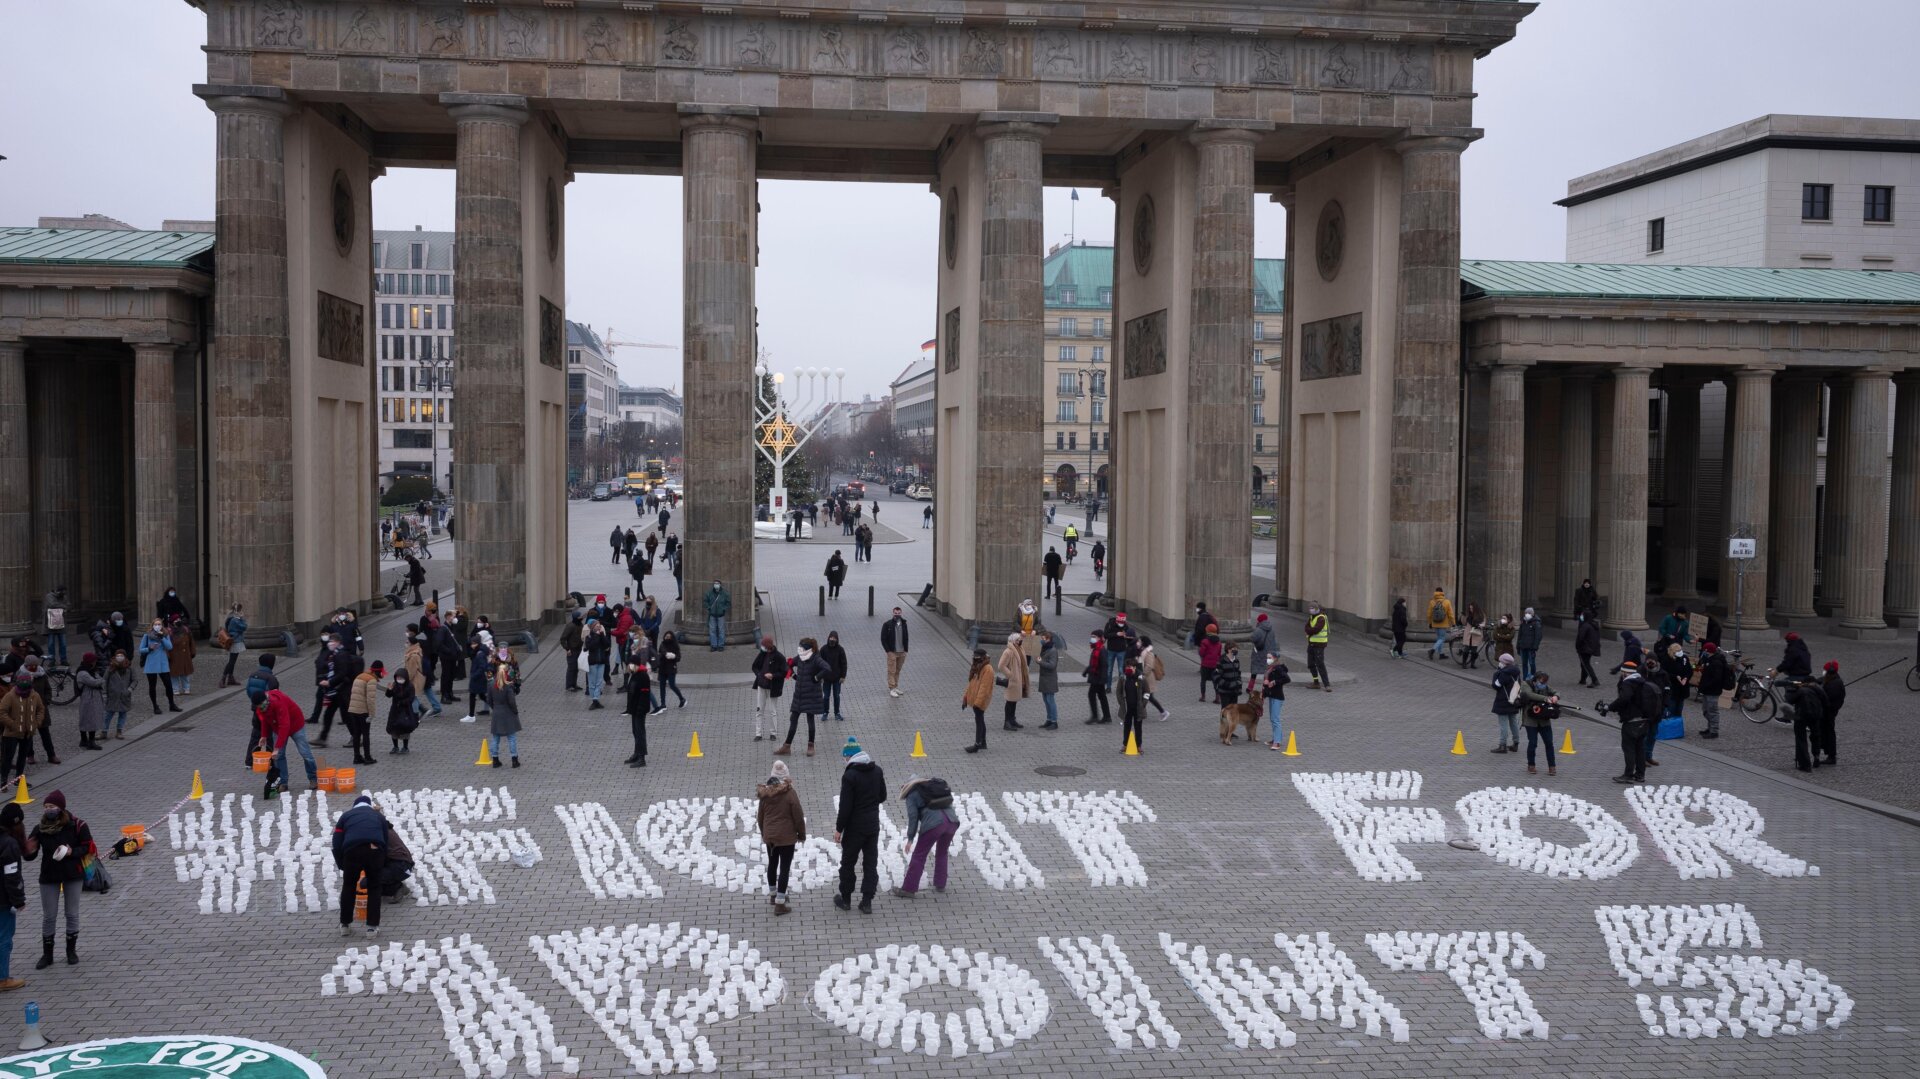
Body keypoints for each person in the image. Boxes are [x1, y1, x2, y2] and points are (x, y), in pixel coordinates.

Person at [23, 790, 89, 968]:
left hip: (72, 874)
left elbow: (87, 848)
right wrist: (28, 850)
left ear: (61, 808)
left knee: (72, 913)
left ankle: (71, 951)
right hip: (49, 876)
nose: (48, 810)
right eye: (46, 807)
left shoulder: (77, 825)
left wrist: (71, 852)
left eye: (52, 807)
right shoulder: (40, 828)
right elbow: (30, 856)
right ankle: (47, 954)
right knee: (49, 916)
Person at [832, 740, 886, 914]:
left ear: (850, 757)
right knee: (870, 863)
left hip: (855, 828)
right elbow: (882, 796)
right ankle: (867, 901)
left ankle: (846, 899)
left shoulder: (850, 776)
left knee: (848, 862)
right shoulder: (877, 771)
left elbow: (845, 807)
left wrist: (839, 828)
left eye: (845, 758)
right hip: (872, 826)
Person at [891, 775, 959, 899]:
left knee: (919, 855)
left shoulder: (912, 795)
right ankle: (940, 883)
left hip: (935, 825)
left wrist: (910, 838)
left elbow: (913, 818)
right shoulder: (932, 789)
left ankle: (908, 889)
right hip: (952, 822)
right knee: (942, 852)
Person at [331, 793, 388, 937]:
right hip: (374, 849)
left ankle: (345, 925)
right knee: (374, 887)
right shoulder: (379, 817)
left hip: (352, 851)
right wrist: (382, 861)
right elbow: (385, 840)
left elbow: (336, 842)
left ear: (354, 806)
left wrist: (342, 863)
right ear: (369, 805)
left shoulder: (346, 816)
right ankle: (371, 928)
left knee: (349, 886)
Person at [756, 759, 806, 915]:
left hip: (770, 837)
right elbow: (798, 815)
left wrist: (765, 833)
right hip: (786, 837)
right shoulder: (789, 792)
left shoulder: (765, 793)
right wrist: (801, 834)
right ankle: (780, 903)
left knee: (772, 863)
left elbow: (760, 817)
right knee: (784, 868)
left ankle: (772, 895)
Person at [1607, 660, 1661, 785]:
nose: (1621, 674)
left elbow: (1624, 698)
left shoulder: (1628, 683)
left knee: (1629, 748)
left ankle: (1628, 775)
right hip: (1645, 720)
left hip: (1632, 722)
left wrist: (1610, 707)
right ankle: (1640, 775)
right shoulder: (1641, 681)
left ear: (1625, 673)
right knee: (1640, 748)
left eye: (1622, 672)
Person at [257, 688, 317, 793]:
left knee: (305, 753)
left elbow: (285, 726)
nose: (259, 708)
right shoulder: (261, 706)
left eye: (260, 706)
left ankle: (313, 778)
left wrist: (277, 747)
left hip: (295, 725)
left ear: (265, 701)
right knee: (279, 756)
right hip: (277, 727)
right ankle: (283, 782)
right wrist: (264, 736)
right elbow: (265, 720)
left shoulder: (278, 703)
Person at [780, 638, 829, 757]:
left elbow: (827, 668)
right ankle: (787, 746)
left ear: (807, 648)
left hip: (811, 695)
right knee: (793, 719)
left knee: (810, 721)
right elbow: (788, 664)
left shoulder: (816, 658)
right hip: (799, 695)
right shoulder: (800, 658)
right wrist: (793, 675)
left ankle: (810, 746)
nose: (800, 649)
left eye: (802, 647)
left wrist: (816, 678)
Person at [0, 803, 26, 990]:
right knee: (4, 938)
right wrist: (18, 901)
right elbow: (11, 876)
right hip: (2, 900)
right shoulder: (9, 843)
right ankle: (3, 979)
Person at [1517, 670, 1561, 776]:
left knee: (1549, 743)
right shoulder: (1525, 684)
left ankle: (1552, 766)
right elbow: (1530, 695)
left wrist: (1556, 697)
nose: (1543, 684)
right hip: (1530, 720)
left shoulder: (1545, 686)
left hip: (1544, 720)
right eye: (1541, 682)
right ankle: (1531, 765)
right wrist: (1546, 698)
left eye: (1544, 682)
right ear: (1535, 679)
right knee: (1533, 743)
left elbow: (1556, 692)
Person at [0, 683, 44, 787]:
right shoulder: (10, 696)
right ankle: (3, 781)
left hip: (27, 732)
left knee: (22, 756)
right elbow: (2, 712)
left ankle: (18, 779)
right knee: (7, 757)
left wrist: (36, 723)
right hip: (11, 733)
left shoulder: (35, 695)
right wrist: (12, 724)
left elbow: (40, 709)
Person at [1784, 674, 1825, 773]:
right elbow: (1826, 701)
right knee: (1815, 736)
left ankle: (1805, 764)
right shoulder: (1819, 690)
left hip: (1802, 716)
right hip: (1815, 715)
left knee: (1801, 739)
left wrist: (1791, 689)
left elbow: (1789, 699)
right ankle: (1816, 757)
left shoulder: (1801, 691)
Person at [346, 659, 383, 766]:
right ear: (378, 671)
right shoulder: (371, 680)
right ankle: (367, 757)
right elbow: (370, 699)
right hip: (363, 711)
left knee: (356, 733)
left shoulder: (360, 676)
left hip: (353, 710)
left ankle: (357, 757)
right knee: (366, 734)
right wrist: (372, 714)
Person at [137, 617, 178, 715]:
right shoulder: (147, 636)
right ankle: (155, 706)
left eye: (159, 624)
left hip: (163, 664)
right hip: (151, 664)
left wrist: (162, 637)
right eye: (155, 624)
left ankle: (172, 704)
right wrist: (149, 648)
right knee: (152, 686)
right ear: (152, 625)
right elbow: (140, 650)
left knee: (168, 685)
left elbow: (170, 647)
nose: (157, 626)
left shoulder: (165, 635)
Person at [751, 637, 788, 743]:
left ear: (768, 647)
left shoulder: (779, 657)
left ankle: (773, 733)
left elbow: (784, 672)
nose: (762, 648)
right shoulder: (762, 654)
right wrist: (759, 675)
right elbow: (754, 666)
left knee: (773, 711)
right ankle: (758, 733)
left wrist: (773, 675)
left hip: (773, 688)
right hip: (761, 685)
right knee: (759, 710)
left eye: (764, 646)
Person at [487, 658, 522, 769]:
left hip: (497, 713)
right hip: (508, 714)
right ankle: (514, 760)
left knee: (495, 738)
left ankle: (495, 759)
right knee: (511, 737)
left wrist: (495, 708)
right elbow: (512, 702)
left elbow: (489, 700)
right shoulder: (508, 686)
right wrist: (515, 711)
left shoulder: (492, 685)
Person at [1489, 653, 1523, 754]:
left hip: (1503, 701)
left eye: (1500, 661)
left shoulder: (1504, 673)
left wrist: (1497, 674)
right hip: (1513, 700)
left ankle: (1502, 745)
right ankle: (1515, 743)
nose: (1499, 663)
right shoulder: (1516, 672)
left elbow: (1496, 685)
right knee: (1513, 722)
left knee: (1503, 724)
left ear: (1504, 662)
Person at [1694, 640, 1729, 739]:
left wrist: (1706, 685)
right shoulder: (1709, 659)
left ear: (1707, 651)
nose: (1702, 652)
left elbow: (1716, 679)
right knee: (1706, 710)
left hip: (1712, 691)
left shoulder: (1716, 662)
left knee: (1712, 711)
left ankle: (1714, 731)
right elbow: (1700, 667)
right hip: (1707, 690)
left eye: (1704, 651)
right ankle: (1710, 728)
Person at [962, 649, 993, 753]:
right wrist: (965, 698)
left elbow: (985, 688)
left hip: (980, 700)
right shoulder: (977, 666)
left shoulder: (987, 669)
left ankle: (977, 744)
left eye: (977, 656)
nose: (975, 658)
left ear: (983, 657)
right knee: (980, 719)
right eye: (974, 656)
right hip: (975, 699)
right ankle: (983, 742)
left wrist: (978, 703)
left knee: (979, 720)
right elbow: (971, 683)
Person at [997, 632, 1029, 732]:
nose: (1020, 641)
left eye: (1020, 640)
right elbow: (1001, 666)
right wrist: (1011, 675)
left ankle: (1012, 720)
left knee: (1014, 701)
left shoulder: (1020, 649)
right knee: (1010, 701)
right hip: (1013, 681)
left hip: (1020, 679)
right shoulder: (1008, 651)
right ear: (1013, 641)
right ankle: (1007, 722)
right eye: (1018, 640)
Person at [72, 654, 105, 751]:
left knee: (90, 718)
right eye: (94, 661)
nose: (95, 662)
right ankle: (90, 741)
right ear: (90, 661)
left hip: (93, 698)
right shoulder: (83, 673)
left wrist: (100, 680)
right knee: (89, 719)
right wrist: (103, 679)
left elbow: (97, 679)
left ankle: (84, 740)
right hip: (88, 698)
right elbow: (94, 682)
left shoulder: (91, 671)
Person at [622, 659, 651, 767]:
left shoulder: (643, 676)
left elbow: (644, 695)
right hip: (634, 709)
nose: (629, 667)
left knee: (640, 733)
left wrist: (640, 708)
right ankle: (636, 753)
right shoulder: (634, 674)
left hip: (640, 710)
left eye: (630, 664)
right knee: (635, 731)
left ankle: (641, 757)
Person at [1816, 660, 1844, 766]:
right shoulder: (1831, 679)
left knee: (1828, 733)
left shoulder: (1835, 684)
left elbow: (1827, 700)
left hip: (1828, 712)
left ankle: (1831, 756)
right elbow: (1821, 680)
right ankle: (1827, 752)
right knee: (1826, 732)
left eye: (1825, 670)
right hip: (1827, 712)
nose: (1824, 672)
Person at [385, 669, 418, 755]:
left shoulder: (410, 686)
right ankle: (395, 747)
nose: (399, 679)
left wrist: (402, 702)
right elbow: (388, 695)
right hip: (395, 710)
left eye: (401, 677)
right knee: (393, 728)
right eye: (398, 677)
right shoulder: (395, 685)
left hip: (406, 711)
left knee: (405, 728)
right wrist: (389, 690)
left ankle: (405, 747)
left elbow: (411, 698)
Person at [102, 651, 133, 742]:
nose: (119, 657)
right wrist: (104, 693)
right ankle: (104, 731)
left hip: (124, 696)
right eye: (118, 655)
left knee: (122, 713)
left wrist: (129, 689)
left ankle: (119, 731)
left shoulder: (129, 669)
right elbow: (104, 680)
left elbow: (134, 680)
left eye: (121, 655)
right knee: (108, 714)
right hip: (112, 695)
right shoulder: (110, 668)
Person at [1262, 655, 1291, 750]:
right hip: (1271, 696)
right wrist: (1264, 694)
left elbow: (1287, 679)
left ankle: (1277, 742)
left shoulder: (1278, 668)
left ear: (1275, 659)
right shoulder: (1270, 669)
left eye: (1270, 657)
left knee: (1275, 719)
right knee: (1273, 719)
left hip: (1277, 697)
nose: (1268, 659)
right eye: (1267, 657)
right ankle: (1275, 738)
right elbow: (1266, 683)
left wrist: (1274, 682)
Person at [1081, 632, 1111, 725]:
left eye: (1094, 637)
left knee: (1092, 695)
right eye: (1091, 637)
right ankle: (1106, 716)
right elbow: (1093, 663)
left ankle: (1095, 716)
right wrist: (1086, 671)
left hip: (1098, 678)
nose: (1092, 638)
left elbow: (1104, 666)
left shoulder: (1101, 650)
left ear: (1099, 638)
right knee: (1102, 696)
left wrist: (1102, 680)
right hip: (1096, 677)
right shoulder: (1096, 648)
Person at [1117, 660, 1146, 755]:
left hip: (1138, 708)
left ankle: (1139, 746)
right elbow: (1119, 692)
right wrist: (1122, 703)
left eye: (1130, 667)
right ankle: (1125, 745)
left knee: (1138, 727)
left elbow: (1147, 692)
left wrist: (1143, 704)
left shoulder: (1141, 678)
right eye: (1127, 667)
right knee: (1127, 726)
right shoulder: (1123, 678)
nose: (1128, 669)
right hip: (1127, 708)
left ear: (1134, 668)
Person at [379, 823, 414, 899]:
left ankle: (397, 888)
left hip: (401, 866)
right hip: (403, 864)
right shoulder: (384, 829)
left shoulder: (380, 833)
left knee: (369, 881)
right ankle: (395, 886)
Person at [1137, 638, 1169, 721]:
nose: (1138, 643)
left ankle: (1163, 712)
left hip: (1148, 679)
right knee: (1145, 697)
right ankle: (1140, 713)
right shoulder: (1143, 652)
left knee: (1148, 697)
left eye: (1140, 641)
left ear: (1144, 643)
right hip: (1145, 679)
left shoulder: (1148, 653)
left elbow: (1149, 666)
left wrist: (1142, 674)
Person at [881, 607, 909, 698]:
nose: (897, 614)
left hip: (902, 651)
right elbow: (883, 638)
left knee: (897, 670)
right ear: (893, 613)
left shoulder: (904, 624)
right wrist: (888, 651)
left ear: (901, 613)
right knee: (891, 671)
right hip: (892, 652)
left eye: (899, 613)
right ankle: (892, 688)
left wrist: (906, 650)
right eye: (895, 613)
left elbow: (906, 636)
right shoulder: (887, 624)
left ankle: (896, 686)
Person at [218, 603, 248, 688]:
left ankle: (230, 678)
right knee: (231, 661)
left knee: (232, 661)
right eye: (240, 610)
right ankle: (223, 679)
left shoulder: (233, 618)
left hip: (235, 640)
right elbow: (244, 627)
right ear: (237, 611)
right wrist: (242, 618)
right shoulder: (235, 620)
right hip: (236, 641)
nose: (242, 611)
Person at [820, 631, 848, 721]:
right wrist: (820, 676)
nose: (832, 640)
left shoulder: (840, 649)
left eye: (834, 638)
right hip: (826, 678)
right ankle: (825, 712)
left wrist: (843, 676)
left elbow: (844, 664)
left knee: (836, 696)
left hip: (837, 678)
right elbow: (819, 663)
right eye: (831, 638)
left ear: (837, 639)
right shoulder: (823, 649)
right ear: (828, 638)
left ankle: (837, 713)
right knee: (826, 696)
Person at [1304, 603, 1332, 691]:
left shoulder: (1321, 618)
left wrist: (1309, 631)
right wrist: (1309, 630)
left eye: (1312, 608)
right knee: (1311, 664)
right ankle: (1316, 682)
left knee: (1320, 664)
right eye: (1310, 608)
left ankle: (1327, 684)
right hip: (1311, 643)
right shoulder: (1312, 617)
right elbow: (1306, 627)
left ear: (1317, 609)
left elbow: (1316, 629)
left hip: (1319, 644)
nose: (1311, 610)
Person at [1035, 631, 1060, 730]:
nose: (1041, 640)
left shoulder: (1053, 650)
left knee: (1050, 700)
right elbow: (1044, 661)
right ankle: (1049, 719)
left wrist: (1041, 662)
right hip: (1044, 678)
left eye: (1043, 639)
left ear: (1048, 639)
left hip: (1050, 679)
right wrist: (1039, 660)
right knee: (1046, 700)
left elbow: (1052, 665)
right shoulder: (1045, 648)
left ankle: (1054, 721)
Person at [656, 631, 686, 710]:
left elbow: (678, 658)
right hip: (663, 668)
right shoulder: (662, 644)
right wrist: (666, 654)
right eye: (666, 636)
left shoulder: (675, 646)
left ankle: (682, 699)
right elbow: (662, 652)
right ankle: (663, 704)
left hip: (671, 668)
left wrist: (674, 656)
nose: (667, 638)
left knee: (672, 685)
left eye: (669, 637)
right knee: (662, 686)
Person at [41, 587, 69, 667]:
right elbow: (52, 604)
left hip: (61, 622)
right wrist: (63, 606)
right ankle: (51, 660)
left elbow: (67, 605)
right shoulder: (49, 596)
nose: (63, 594)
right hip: (51, 623)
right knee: (51, 644)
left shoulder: (64, 597)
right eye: (62, 592)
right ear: (58, 591)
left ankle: (63, 660)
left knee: (63, 644)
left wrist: (64, 606)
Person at [1426, 588, 1456, 660]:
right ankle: (1432, 650)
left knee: (1439, 638)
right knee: (1442, 638)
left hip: (1435, 623)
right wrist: (1453, 623)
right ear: (1442, 592)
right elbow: (1451, 614)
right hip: (1443, 623)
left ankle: (1441, 654)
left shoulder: (1432, 602)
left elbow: (1429, 614)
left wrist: (1430, 623)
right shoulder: (1447, 602)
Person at [1574, 610, 1602, 687]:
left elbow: (1580, 638)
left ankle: (1594, 680)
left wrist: (1578, 646)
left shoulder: (1585, 626)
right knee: (1584, 664)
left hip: (1585, 648)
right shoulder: (1593, 625)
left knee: (1586, 664)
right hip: (1591, 648)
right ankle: (1583, 679)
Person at [704, 580, 732, 652]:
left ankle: (721, 645)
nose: (716, 585)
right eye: (715, 583)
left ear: (720, 585)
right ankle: (713, 645)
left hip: (721, 615)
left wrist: (723, 609)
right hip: (712, 615)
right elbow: (705, 601)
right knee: (712, 630)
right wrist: (708, 608)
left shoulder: (725, 593)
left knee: (721, 630)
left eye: (717, 583)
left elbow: (728, 603)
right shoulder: (709, 593)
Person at [1214, 644, 1243, 710]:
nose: (1236, 650)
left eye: (1237, 648)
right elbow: (1217, 677)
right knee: (1225, 710)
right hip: (1225, 691)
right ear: (1229, 649)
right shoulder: (1221, 661)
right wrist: (1227, 684)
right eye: (1234, 648)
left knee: (1234, 711)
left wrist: (1239, 683)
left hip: (1234, 691)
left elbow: (1238, 674)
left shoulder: (1236, 661)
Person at [1516, 608, 1543, 679]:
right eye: (1526, 613)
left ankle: (1533, 677)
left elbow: (1538, 636)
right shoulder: (1523, 623)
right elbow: (1520, 635)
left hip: (1531, 648)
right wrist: (1518, 646)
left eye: (1529, 613)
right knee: (1524, 664)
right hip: (1523, 647)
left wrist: (1535, 647)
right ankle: (1525, 678)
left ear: (1533, 614)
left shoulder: (1536, 623)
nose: (1527, 614)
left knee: (1532, 663)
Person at [1196, 629, 1222, 703]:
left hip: (1205, 664)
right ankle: (1217, 697)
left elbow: (1201, 653)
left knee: (1203, 680)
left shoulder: (1205, 641)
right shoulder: (1219, 643)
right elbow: (1219, 654)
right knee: (1215, 681)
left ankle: (1203, 696)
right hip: (1214, 665)